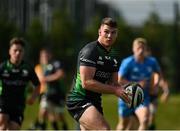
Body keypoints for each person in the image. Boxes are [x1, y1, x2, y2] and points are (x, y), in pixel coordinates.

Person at [66, 17, 130, 130]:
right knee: (104, 129)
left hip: (95, 101)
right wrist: (115, 90)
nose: (109, 36)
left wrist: (127, 92)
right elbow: (87, 83)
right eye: (106, 32)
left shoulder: (114, 55)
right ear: (99, 32)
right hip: (79, 100)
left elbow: (114, 83)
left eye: (113, 32)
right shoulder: (90, 51)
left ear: (117, 34)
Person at [116, 37, 162, 130]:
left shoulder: (151, 62)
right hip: (127, 97)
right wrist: (137, 84)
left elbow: (159, 73)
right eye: (138, 48)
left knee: (145, 120)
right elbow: (119, 80)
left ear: (145, 49)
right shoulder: (128, 62)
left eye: (142, 48)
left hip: (142, 97)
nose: (140, 51)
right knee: (123, 125)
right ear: (133, 49)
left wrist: (156, 84)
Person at [0, 37, 40, 130]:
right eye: (15, 50)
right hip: (3, 102)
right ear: (10, 51)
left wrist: (33, 98)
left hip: (19, 104)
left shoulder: (27, 68)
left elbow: (37, 85)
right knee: (2, 121)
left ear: (23, 53)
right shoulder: (3, 67)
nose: (17, 53)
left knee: (14, 128)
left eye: (20, 51)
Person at [30, 48, 68, 130]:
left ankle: (65, 127)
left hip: (58, 93)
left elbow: (61, 74)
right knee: (44, 111)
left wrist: (47, 78)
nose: (45, 57)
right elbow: (38, 80)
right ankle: (41, 128)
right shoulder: (39, 67)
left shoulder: (55, 63)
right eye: (43, 56)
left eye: (46, 55)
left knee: (59, 115)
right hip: (46, 93)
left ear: (50, 55)